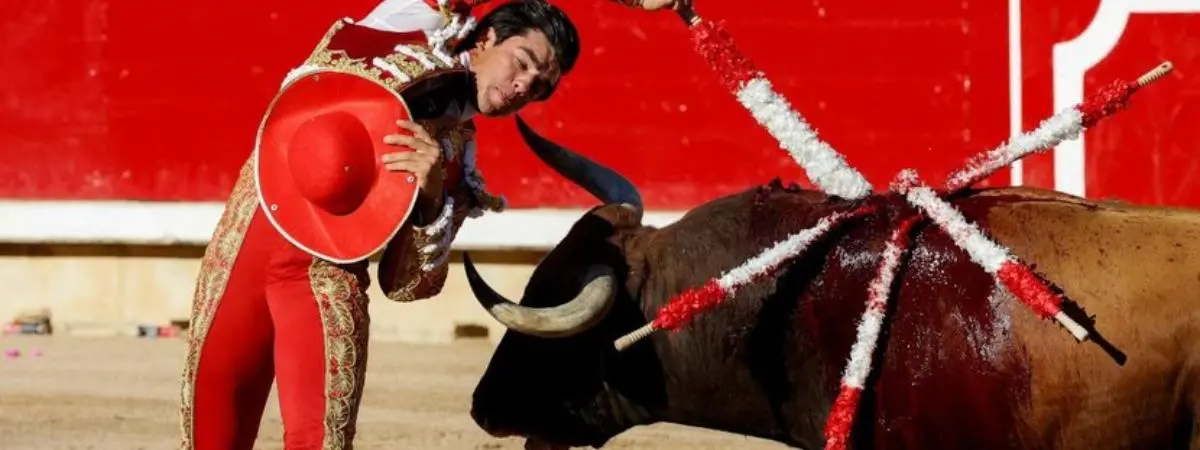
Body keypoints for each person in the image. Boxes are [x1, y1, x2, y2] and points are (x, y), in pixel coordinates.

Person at [176, 1, 581, 448]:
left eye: (540, 87)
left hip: (321, 278)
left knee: (318, 441)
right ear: (486, 40)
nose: (524, 85)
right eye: (521, 63)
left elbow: (407, 285)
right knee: (211, 431)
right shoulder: (411, 28)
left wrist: (429, 198)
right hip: (243, 249)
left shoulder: (455, 166)